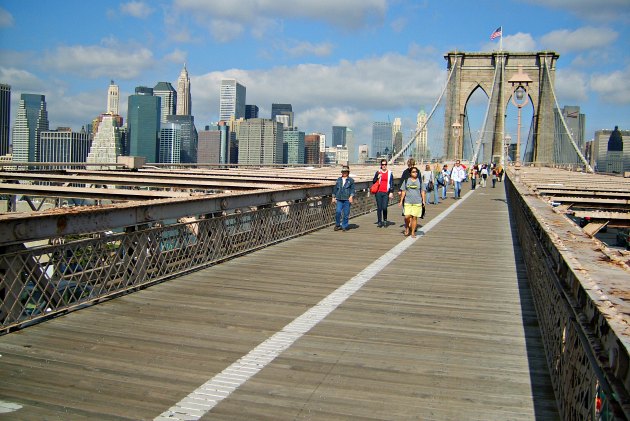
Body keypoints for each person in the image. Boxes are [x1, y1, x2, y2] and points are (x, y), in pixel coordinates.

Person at [398, 166, 425, 238]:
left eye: (416, 172)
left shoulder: (419, 181)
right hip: (408, 201)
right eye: (413, 172)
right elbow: (404, 191)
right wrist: (401, 201)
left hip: (417, 202)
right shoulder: (407, 181)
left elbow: (422, 191)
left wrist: (424, 201)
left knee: (414, 217)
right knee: (407, 216)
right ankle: (407, 227)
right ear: (410, 173)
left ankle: (412, 232)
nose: (415, 173)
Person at [331, 166, 355, 232]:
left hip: (347, 199)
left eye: (346, 172)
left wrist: (351, 196)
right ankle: (338, 225)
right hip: (339, 198)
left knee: (346, 214)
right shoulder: (338, 179)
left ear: (348, 172)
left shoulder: (351, 180)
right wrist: (333, 197)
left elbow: (353, 189)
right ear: (341, 172)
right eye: (343, 172)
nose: (344, 173)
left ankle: (344, 226)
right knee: (338, 212)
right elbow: (335, 189)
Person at [373, 158, 394, 228]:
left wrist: (391, 192)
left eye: (385, 164)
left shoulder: (390, 173)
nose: (384, 166)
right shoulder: (378, 172)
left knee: (384, 207)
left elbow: (391, 183)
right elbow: (373, 181)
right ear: (381, 165)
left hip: (386, 192)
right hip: (378, 192)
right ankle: (379, 221)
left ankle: (385, 219)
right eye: (382, 164)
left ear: (386, 165)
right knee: (379, 207)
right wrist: (377, 178)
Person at [399, 158, 416, 232]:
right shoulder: (405, 172)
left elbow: (419, 182)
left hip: (414, 194)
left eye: (412, 165)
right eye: (409, 165)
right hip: (406, 194)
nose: (411, 167)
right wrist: (400, 190)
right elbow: (401, 181)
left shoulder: (416, 172)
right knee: (406, 212)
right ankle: (407, 226)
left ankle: (410, 226)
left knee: (413, 212)